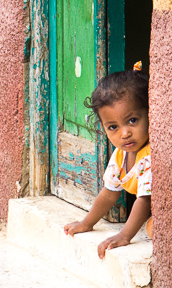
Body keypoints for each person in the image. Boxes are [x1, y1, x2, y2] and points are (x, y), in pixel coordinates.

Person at [62, 62, 151, 258]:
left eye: (132, 121)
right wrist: (87, 223)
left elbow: (144, 200)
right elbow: (109, 194)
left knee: (155, 229)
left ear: (150, 114)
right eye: (113, 127)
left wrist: (125, 235)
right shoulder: (120, 155)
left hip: (154, 209)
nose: (125, 133)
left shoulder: (149, 156)